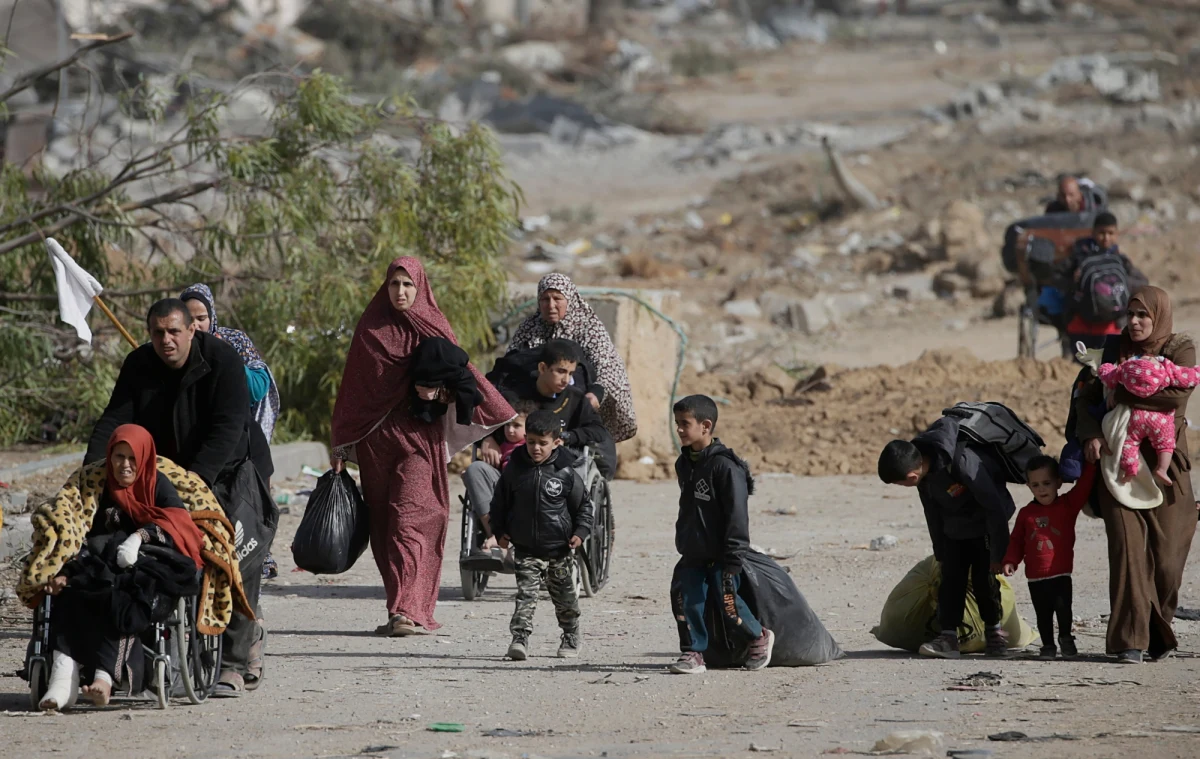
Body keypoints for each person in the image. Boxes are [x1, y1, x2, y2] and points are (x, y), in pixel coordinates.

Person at [82, 298, 274, 697]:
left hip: (227, 470)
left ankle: (237, 660)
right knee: (135, 546)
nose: (166, 340)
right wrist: (90, 476)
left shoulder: (223, 362)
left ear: (192, 331)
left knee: (234, 552)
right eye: (157, 332)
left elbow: (226, 428)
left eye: (174, 332)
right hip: (162, 474)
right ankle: (137, 657)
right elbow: (115, 420)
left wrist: (194, 484)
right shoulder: (139, 365)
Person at [330, 256, 513, 637]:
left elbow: (465, 383)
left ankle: (409, 610)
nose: (401, 292)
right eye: (395, 284)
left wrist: (439, 392)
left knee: (410, 517)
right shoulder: (370, 329)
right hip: (376, 442)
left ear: (421, 288)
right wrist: (340, 447)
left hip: (419, 438)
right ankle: (398, 604)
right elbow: (353, 393)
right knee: (383, 523)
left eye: (408, 285)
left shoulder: (434, 327)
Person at [38, 425, 205, 710]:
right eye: (118, 456)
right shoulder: (97, 486)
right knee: (71, 593)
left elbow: (177, 523)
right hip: (101, 564)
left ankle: (105, 678)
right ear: (109, 456)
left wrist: (139, 537)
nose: (124, 465)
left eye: (132, 458)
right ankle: (63, 680)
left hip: (147, 567)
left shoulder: (157, 484)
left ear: (143, 458)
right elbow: (77, 527)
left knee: (124, 596)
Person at [1074, 286, 1196, 663]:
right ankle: (1131, 639)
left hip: (1166, 463)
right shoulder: (1112, 349)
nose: (1136, 321)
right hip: (1117, 461)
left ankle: (1158, 631)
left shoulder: (1180, 348)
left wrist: (1121, 392)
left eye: (1144, 315)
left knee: (1169, 558)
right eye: (1131, 314)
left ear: (1158, 316)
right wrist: (1091, 434)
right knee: (1127, 551)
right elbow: (1085, 398)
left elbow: (1176, 397)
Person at [877, 416, 1015, 659]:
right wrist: (940, 552)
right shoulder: (924, 479)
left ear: (911, 476)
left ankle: (994, 634)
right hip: (953, 533)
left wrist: (999, 552)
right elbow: (932, 514)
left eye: (900, 484)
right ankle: (948, 638)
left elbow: (994, 507)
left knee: (985, 583)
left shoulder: (961, 461)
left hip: (984, 530)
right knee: (949, 583)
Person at [180, 282, 282, 580]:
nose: (197, 325)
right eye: (190, 318)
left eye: (202, 317)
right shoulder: (173, 347)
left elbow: (258, 384)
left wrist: (222, 365)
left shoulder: (232, 341)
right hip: (194, 441)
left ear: (212, 315)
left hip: (241, 438)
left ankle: (256, 557)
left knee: (247, 500)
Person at [668, 395, 774, 675]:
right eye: (676, 423)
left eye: (684, 424)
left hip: (722, 553)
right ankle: (693, 652)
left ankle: (758, 635)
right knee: (685, 599)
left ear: (705, 426)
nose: (678, 429)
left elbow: (737, 515)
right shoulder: (685, 463)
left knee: (729, 605)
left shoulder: (726, 467)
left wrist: (734, 556)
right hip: (693, 550)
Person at [491, 410, 592, 661]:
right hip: (525, 547)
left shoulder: (566, 472)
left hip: (559, 549)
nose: (536, 448)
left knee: (565, 599)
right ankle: (519, 639)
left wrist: (580, 532)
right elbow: (499, 504)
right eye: (531, 442)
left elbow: (584, 506)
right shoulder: (514, 470)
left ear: (556, 442)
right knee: (526, 596)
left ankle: (570, 635)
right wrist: (500, 532)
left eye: (543, 443)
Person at [507, 273, 637, 444]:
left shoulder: (588, 326)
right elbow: (512, 362)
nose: (551, 305)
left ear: (569, 299)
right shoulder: (530, 327)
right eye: (545, 299)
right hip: (535, 399)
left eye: (557, 299)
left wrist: (596, 394)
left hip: (580, 399)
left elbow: (607, 365)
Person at [1002, 456, 1096, 659]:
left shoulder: (1067, 506)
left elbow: (1084, 486)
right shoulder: (1026, 514)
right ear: (1028, 486)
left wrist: (1091, 461)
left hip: (1061, 574)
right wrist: (1010, 561)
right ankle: (1048, 645)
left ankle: (1065, 638)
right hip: (1035, 577)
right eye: (1035, 485)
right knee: (1043, 614)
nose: (1042, 489)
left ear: (1058, 482)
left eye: (1046, 483)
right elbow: (1016, 540)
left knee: (1064, 610)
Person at [489, 339, 616, 479]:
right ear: (542, 368)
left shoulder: (575, 398)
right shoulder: (515, 396)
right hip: (514, 466)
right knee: (476, 470)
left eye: (570, 373)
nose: (566, 380)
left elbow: (597, 430)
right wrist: (487, 440)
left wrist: (566, 437)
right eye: (561, 371)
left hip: (558, 470)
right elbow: (486, 419)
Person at [1097, 354, 1200, 484]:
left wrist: (1104, 368)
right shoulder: (1165, 369)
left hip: (1137, 416)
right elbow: (1187, 377)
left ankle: (1130, 468)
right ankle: (1162, 469)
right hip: (1159, 418)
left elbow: (1108, 376)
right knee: (1165, 444)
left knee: (1130, 442)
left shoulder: (1126, 369)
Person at [1056, 212, 1148, 353]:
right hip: (1082, 327)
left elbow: (1142, 282)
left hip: (1113, 326)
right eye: (1102, 233)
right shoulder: (1078, 256)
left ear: (1117, 234)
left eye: (1111, 233)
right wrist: (1073, 281)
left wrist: (1123, 283)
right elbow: (1057, 278)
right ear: (1093, 232)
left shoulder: (1120, 259)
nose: (1106, 238)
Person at [461, 395, 536, 552]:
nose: (510, 430)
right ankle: (494, 535)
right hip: (502, 487)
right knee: (474, 469)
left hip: (526, 489)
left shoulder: (533, 447)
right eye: (507, 425)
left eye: (516, 426)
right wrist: (471, 476)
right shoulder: (500, 446)